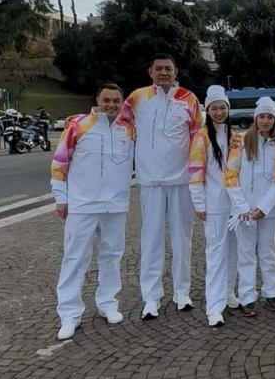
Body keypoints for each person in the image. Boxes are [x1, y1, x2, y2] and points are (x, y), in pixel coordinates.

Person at [120, 53, 204, 319]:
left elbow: (198, 138)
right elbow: (118, 123)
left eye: (168, 68)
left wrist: (198, 177)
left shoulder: (189, 99)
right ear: (150, 72)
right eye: (159, 69)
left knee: (182, 240)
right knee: (151, 240)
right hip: (150, 182)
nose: (164, 73)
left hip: (181, 181)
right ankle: (151, 297)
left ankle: (182, 292)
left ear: (175, 71)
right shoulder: (137, 98)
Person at [50, 83, 134, 340]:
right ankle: (69, 313)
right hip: (82, 205)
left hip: (115, 205)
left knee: (112, 256)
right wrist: (61, 198)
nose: (111, 105)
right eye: (106, 100)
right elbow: (60, 162)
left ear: (122, 103)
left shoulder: (129, 129)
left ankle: (108, 302)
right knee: (75, 258)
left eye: (116, 101)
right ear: (97, 100)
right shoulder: (78, 125)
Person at [224, 97, 275, 317]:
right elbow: (230, 175)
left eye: (270, 117)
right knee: (246, 252)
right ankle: (247, 296)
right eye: (262, 116)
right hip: (243, 211)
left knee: (268, 251)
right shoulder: (241, 142)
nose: (265, 120)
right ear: (256, 118)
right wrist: (242, 206)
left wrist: (264, 207)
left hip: (267, 210)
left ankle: (272, 292)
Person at [189, 85, 239, 327]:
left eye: (223, 108)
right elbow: (195, 171)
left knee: (234, 252)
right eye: (214, 109)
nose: (219, 112)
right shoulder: (201, 137)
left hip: (235, 205)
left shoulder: (235, 136)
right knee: (216, 254)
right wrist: (199, 202)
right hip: (214, 203)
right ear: (208, 111)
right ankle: (214, 306)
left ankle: (229, 291)